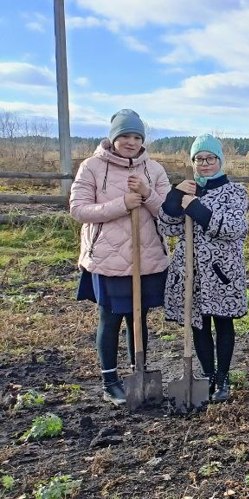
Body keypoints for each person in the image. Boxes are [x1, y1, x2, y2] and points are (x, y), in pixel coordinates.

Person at [71, 109, 170, 406]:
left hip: (147, 256)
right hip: (108, 258)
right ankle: (109, 380)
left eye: (137, 136)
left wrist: (147, 192)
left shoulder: (154, 169)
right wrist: (121, 204)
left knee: (138, 317)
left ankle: (137, 371)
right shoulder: (92, 167)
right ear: (114, 137)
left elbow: (168, 212)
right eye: (125, 135)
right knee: (111, 317)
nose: (131, 141)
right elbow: (78, 209)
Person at [159, 134, 249, 402]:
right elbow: (168, 228)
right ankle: (208, 377)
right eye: (199, 159)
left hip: (222, 273)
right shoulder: (188, 190)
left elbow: (233, 228)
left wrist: (196, 208)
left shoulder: (235, 192)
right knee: (198, 324)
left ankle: (223, 379)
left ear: (220, 160)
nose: (205, 163)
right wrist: (174, 198)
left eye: (210, 158)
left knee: (223, 322)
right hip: (191, 271)